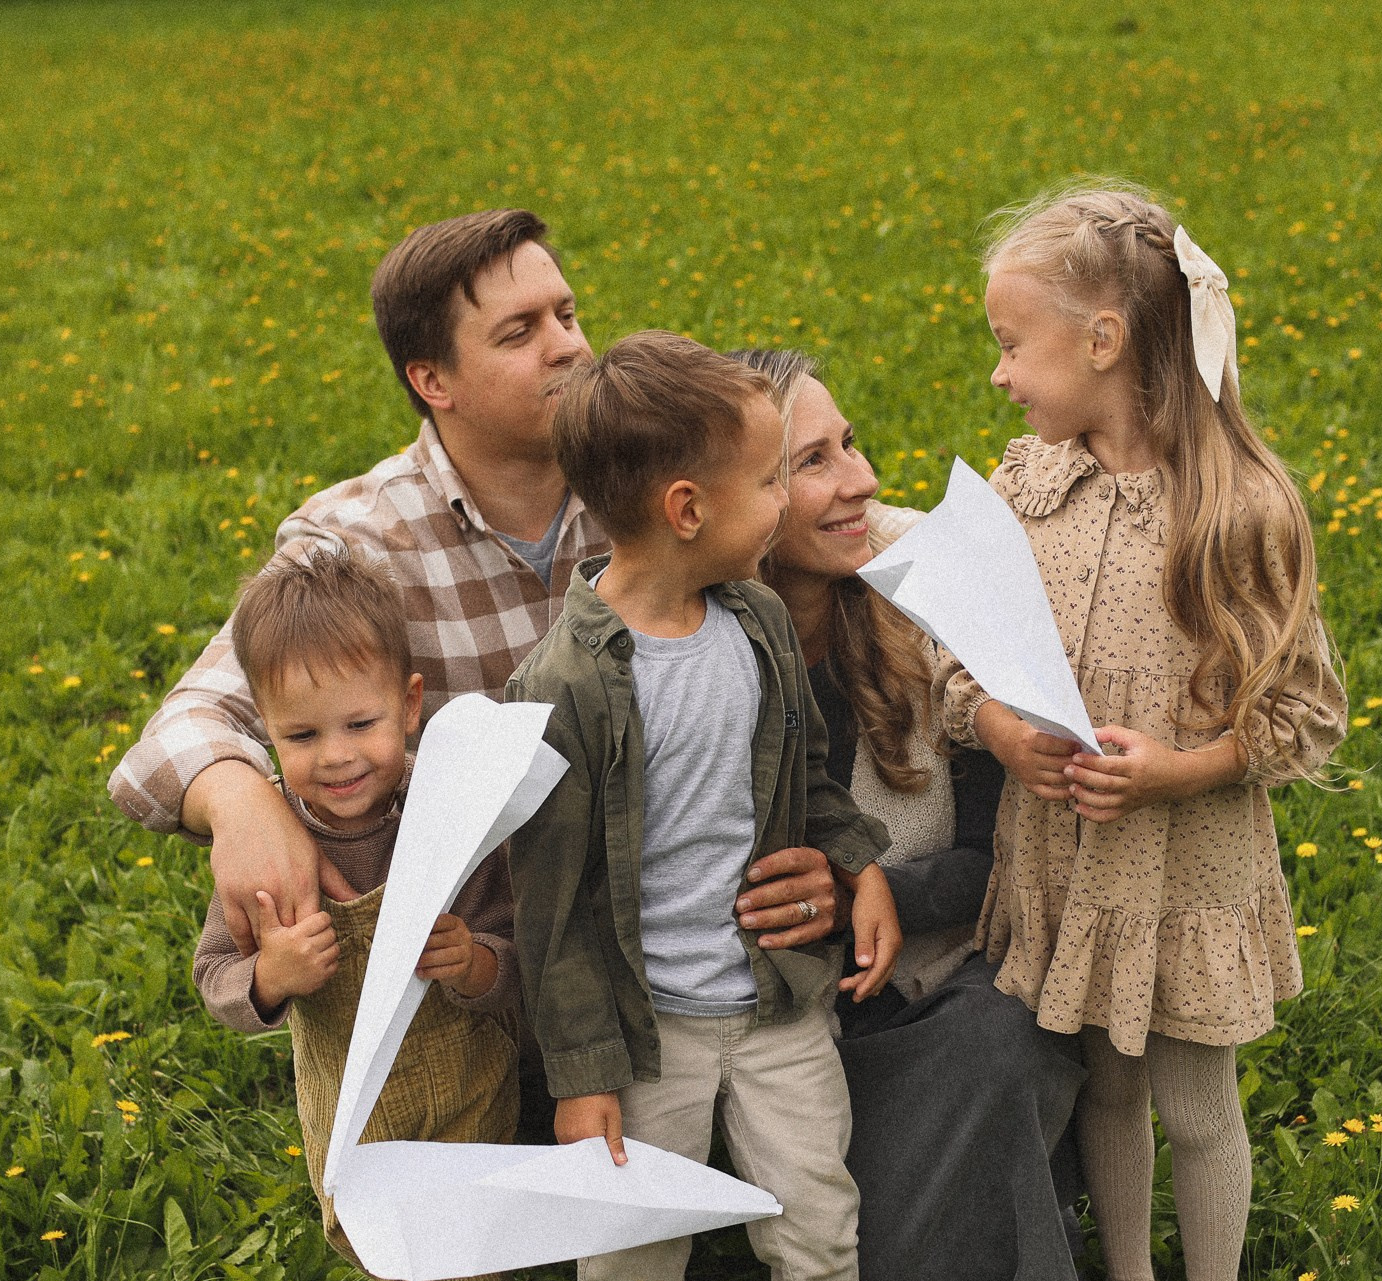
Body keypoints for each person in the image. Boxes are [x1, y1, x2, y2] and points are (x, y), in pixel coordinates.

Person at [109, 212, 846, 1086]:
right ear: (433, 380)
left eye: (567, 316)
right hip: (477, 997)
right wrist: (239, 802)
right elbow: (186, 721)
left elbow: (859, 524)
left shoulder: (654, 486)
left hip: (695, 957)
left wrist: (843, 859)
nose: (568, 347)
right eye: (519, 332)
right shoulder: (360, 538)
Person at [504, 332, 932, 1281]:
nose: (789, 502)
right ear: (687, 508)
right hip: (649, 1036)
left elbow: (803, 781)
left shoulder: (750, 619)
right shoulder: (571, 683)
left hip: (776, 1004)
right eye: (768, 483)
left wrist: (857, 863)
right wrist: (584, 1073)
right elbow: (557, 906)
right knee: (636, 1239)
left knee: (818, 1210)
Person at [951, 181, 1347, 1281]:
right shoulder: (1025, 490)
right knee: (1105, 1096)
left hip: (1183, 865)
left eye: (1016, 344)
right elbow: (954, 665)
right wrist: (997, 729)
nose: (1003, 375)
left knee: (1193, 1101)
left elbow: (1303, 715)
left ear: (1105, 341)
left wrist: (1178, 769)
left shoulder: (1237, 509)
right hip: (1070, 856)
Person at [735, 345, 1106, 1281]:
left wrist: (881, 888)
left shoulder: (929, 582)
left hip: (938, 978)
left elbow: (1006, 846)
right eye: (813, 461)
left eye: (850, 444)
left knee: (1001, 1038)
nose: (855, 478)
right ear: (738, 502)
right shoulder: (685, 639)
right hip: (767, 1016)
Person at [187, 545, 520, 1281]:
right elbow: (218, 976)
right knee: (365, 1224)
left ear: (411, 706)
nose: (336, 758)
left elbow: (521, 948)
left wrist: (475, 959)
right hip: (344, 1092)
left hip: (461, 1074)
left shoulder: (451, 819)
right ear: (265, 734)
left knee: (450, 1232)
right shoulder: (273, 850)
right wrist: (274, 974)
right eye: (300, 738)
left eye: (362, 724)